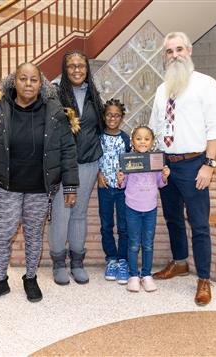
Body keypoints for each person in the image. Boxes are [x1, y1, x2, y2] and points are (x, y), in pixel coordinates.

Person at [0, 63, 79, 304]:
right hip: (7, 186)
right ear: (14, 81)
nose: (28, 84)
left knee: (33, 235)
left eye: (33, 80)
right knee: (2, 234)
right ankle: (0, 281)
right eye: (23, 79)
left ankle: (30, 278)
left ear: (41, 84)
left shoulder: (54, 112)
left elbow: (68, 150)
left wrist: (70, 186)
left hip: (40, 189)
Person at [149, 32, 216, 306]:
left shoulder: (206, 84)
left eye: (179, 49)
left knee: (199, 224)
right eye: (169, 51)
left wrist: (209, 164)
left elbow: (215, 126)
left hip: (195, 164)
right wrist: (154, 162)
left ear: (189, 50)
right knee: (172, 218)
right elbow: (156, 127)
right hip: (166, 163)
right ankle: (180, 262)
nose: (175, 55)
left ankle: (204, 279)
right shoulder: (161, 89)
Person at [48, 50, 104, 285]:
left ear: (87, 69)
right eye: (71, 66)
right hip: (63, 166)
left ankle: (77, 262)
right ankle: (59, 263)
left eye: (81, 65)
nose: (77, 70)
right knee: (62, 214)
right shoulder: (55, 94)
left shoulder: (93, 93)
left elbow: (98, 128)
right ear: (64, 68)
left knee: (79, 214)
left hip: (89, 163)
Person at [116, 126, 170, 293]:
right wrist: (120, 179)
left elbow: (160, 184)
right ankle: (133, 275)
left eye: (146, 139)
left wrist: (164, 176)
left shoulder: (155, 161)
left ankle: (146, 275)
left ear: (152, 142)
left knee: (147, 244)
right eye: (139, 138)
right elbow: (122, 185)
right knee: (133, 243)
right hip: (132, 207)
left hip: (150, 208)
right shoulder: (129, 160)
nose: (142, 141)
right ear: (133, 141)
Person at [97, 98, 131, 284]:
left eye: (117, 115)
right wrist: (97, 173)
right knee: (106, 225)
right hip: (104, 189)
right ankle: (111, 259)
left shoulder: (125, 139)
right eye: (109, 114)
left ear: (121, 117)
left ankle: (123, 260)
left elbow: (132, 163)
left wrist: (125, 177)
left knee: (124, 227)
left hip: (122, 190)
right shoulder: (99, 137)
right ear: (104, 116)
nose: (112, 118)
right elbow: (93, 158)